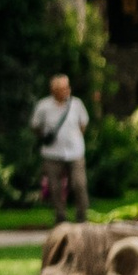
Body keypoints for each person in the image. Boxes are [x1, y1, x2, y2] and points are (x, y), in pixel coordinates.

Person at [32, 73, 89, 224]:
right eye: (62, 89)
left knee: (79, 184)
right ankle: (60, 217)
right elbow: (35, 126)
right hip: (52, 153)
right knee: (55, 187)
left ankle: (82, 218)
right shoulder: (43, 106)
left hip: (75, 152)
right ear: (53, 90)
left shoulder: (76, 104)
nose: (66, 91)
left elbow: (83, 124)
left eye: (67, 87)